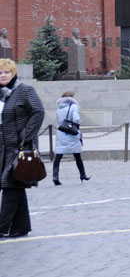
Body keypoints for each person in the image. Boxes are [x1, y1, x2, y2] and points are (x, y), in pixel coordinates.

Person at [0, 59, 45, 238]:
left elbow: (38, 111)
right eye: (0, 72)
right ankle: (21, 226)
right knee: (16, 184)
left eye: (6, 72)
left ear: (13, 74)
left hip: (19, 148)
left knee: (10, 184)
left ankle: (2, 226)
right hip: (2, 148)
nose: (2, 75)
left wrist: (25, 135)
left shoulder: (25, 91)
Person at [52, 91, 89, 185]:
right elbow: (76, 119)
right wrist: (78, 123)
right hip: (71, 132)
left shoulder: (59, 108)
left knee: (58, 156)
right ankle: (82, 174)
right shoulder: (73, 107)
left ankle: (55, 176)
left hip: (61, 132)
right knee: (77, 156)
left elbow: (58, 120)